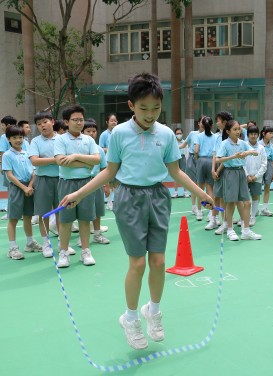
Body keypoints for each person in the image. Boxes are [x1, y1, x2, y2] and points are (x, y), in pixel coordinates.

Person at [60, 73, 214, 350]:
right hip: (128, 197)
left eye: (155, 108)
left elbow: (176, 172)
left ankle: (153, 311)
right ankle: (130, 317)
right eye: (144, 108)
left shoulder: (166, 134)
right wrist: (78, 194)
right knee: (138, 263)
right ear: (131, 105)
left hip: (158, 196)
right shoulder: (119, 134)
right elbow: (109, 171)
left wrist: (202, 194)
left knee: (158, 262)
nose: (150, 114)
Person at [54, 105, 101, 268]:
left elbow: (96, 160)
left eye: (81, 120)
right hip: (67, 183)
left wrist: (74, 157)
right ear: (66, 122)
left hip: (86, 183)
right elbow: (60, 161)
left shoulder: (89, 139)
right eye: (75, 120)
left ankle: (85, 251)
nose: (79, 123)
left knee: (85, 218)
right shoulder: (60, 139)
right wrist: (85, 163)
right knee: (66, 220)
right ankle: (64, 253)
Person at [216, 120, 261, 240]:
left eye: (239, 129)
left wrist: (247, 152)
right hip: (229, 173)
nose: (238, 131)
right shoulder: (225, 144)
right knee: (230, 202)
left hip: (241, 172)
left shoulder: (242, 143)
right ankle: (230, 230)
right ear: (228, 131)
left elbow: (255, 152)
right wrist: (233, 157)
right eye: (235, 129)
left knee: (247, 202)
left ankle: (246, 230)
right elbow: (218, 160)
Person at [2, 125, 42, 259]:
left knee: (28, 216)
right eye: (14, 137)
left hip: (29, 188)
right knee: (13, 218)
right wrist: (24, 188)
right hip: (17, 188)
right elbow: (10, 175)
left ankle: (30, 243)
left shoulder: (27, 153)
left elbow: (34, 171)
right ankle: (12, 248)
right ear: (8, 139)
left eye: (21, 137)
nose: (18, 140)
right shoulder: (7, 155)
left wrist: (30, 186)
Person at [29, 111, 62, 257]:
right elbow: (35, 161)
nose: (42, 125)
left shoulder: (62, 139)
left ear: (52, 122)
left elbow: (66, 158)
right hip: (42, 180)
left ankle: (63, 242)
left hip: (62, 178)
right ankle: (46, 243)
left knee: (61, 211)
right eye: (39, 124)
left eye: (45, 122)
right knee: (44, 213)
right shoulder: (35, 141)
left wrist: (45, 159)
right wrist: (55, 160)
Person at [78, 119, 110, 245]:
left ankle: (97, 234)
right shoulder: (79, 149)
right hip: (82, 182)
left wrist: (106, 185)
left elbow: (104, 169)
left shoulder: (99, 150)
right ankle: (82, 237)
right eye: (88, 131)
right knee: (83, 211)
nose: (91, 133)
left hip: (96, 182)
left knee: (97, 209)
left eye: (94, 131)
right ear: (82, 131)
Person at [211, 111, 233, 233]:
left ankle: (226, 223)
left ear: (224, 122)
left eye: (218, 120)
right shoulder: (217, 136)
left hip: (227, 169)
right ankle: (214, 219)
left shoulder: (231, 138)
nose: (216, 123)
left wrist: (218, 170)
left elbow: (228, 157)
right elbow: (215, 153)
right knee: (217, 196)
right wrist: (213, 169)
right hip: (218, 168)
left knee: (226, 198)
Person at [243, 125, 267, 226]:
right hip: (244, 177)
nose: (253, 136)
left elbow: (264, 164)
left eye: (255, 134)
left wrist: (256, 176)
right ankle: (243, 217)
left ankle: (252, 217)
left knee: (255, 196)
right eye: (251, 134)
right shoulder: (243, 146)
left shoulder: (261, 148)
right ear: (248, 135)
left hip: (257, 177)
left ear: (258, 135)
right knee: (244, 198)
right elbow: (241, 162)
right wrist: (247, 175)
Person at [194, 116, 216, 222]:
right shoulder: (215, 137)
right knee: (210, 188)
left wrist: (197, 159)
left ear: (202, 125)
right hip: (212, 161)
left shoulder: (198, 136)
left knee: (199, 188)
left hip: (201, 160)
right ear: (212, 126)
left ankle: (199, 212)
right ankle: (211, 213)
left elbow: (196, 151)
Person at [99, 113, 118, 210]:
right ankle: (109, 202)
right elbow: (101, 148)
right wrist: (111, 149)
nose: (114, 122)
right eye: (112, 120)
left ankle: (117, 202)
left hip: (119, 161)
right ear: (107, 122)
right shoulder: (104, 135)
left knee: (117, 182)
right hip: (108, 162)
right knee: (109, 183)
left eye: (115, 120)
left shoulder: (119, 133)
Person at [258, 126, 273, 216]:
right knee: (257, 189)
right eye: (270, 133)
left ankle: (264, 208)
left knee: (267, 187)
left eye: (272, 133)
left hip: (269, 165)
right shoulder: (258, 145)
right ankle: (255, 209)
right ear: (264, 134)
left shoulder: (272, 146)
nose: (272, 135)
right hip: (259, 166)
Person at [172, 127, 189, 198]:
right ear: (175, 134)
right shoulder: (173, 142)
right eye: (177, 133)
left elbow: (187, 153)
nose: (179, 134)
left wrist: (187, 161)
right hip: (175, 159)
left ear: (182, 134)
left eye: (180, 133)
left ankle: (185, 192)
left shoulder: (185, 142)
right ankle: (176, 192)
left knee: (184, 175)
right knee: (176, 176)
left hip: (183, 158)